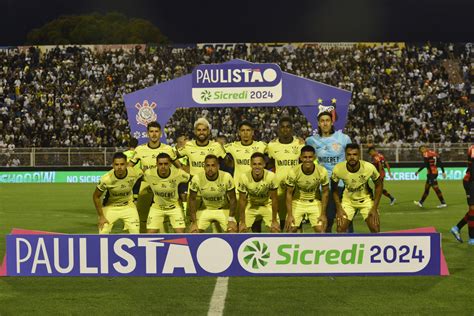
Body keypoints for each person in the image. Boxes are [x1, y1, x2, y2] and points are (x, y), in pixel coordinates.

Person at [128, 122, 181, 233]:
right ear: (147, 133)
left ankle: (164, 243)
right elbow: (129, 168)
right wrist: (138, 172)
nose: (154, 134)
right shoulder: (139, 150)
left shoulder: (168, 149)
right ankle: (143, 243)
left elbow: (179, 167)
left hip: (164, 188)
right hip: (145, 187)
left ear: (160, 133)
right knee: (142, 217)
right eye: (151, 131)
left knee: (163, 218)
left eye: (156, 131)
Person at [306, 111, 352, 232]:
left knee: (345, 221)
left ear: (332, 122)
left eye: (327, 120)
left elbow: (352, 159)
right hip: (325, 187)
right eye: (322, 121)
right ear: (318, 124)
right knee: (327, 221)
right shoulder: (311, 141)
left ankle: (349, 246)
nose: (325, 123)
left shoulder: (344, 138)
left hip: (342, 185)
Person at [331, 143, 382, 233]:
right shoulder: (338, 169)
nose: (352, 157)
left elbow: (379, 185)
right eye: (349, 155)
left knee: (375, 229)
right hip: (348, 201)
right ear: (345, 155)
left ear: (359, 155)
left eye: (355, 154)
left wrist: (374, 208)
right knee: (340, 229)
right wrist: (339, 209)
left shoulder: (369, 168)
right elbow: (334, 189)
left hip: (366, 200)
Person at [224, 121, 267, 225]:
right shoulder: (231, 146)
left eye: (248, 130)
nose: (245, 133)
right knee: (239, 222)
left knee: (256, 224)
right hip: (239, 191)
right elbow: (218, 150)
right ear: (239, 133)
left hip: (256, 190)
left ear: (252, 132)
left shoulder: (261, 146)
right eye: (243, 130)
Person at [266, 117, 304, 230]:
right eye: (282, 127)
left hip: (295, 188)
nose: (285, 129)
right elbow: (269, 165)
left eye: (288, 127)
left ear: (292, 129)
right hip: (279, 189)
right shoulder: (272, 145)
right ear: (278, 129)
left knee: (295, 223)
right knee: (281, 221)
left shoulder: (299, 144)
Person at [92, 152, 142, 234]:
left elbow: (146, 175)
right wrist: (101, 216)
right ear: (113, 165)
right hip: (110, 207)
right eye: (116, 164)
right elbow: (96, 196)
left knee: (135, 233)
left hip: (128, 206)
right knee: (103, 233)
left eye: (122, 164)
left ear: (126, 164)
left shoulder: (134, 173)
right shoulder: (106, 179)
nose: (119, 167)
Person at [188, 155, 237, 233]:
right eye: (207, 165)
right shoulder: (197, 178)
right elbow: (192, 199)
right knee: (194, 232)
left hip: (223, 210)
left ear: (218, 166)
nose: (210, 168)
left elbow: (233, 198)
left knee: (232, 232)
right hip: (205, 209)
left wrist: (231, 219)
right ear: (204, 167)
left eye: (213, 165)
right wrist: (194, 222)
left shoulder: (226, 177)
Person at [285, 145, 329, 233]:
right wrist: (290, 215)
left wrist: (323, 214)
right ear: (300, 158)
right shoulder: (293, 171)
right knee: (290, 229)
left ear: (314, 157)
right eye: (305, 157)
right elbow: (289, 194)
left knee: (321, 230)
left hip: (315, 202)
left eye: (310, 157)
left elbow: (325, 193)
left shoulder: (322, 171)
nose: (307, 159)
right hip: (298, 202)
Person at [144, 153, 191, 233]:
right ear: (156, 164)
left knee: (181, 234)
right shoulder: (149, 173)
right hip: (157, 208)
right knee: (150, 234)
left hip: (174, 207)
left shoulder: (178, 173)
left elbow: (192, 179)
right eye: (160, 164)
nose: (163, 166)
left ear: (170, 164)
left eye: (165, 164)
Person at [238, 152, 280, 233]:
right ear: (250, 165)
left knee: (276, 229)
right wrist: (242, 222)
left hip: (266, 204)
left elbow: (275, 199)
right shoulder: (244, 177)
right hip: (251, 205)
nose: (257, 167)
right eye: (254, 164)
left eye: (259, 164)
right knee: (242, 230)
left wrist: (274, 220)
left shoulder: (271, 176)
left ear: (264, 164)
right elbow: (242, 201)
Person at [450, 144, 474, 244]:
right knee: (473, 209)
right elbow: (473, 168)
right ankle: (472, 238)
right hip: (471, 181)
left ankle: (457, 228)